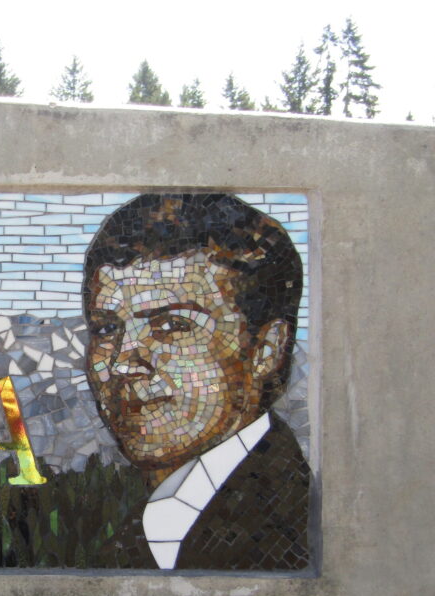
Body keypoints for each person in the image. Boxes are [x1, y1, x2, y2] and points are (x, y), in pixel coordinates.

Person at [82, 193, 311, 571]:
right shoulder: (136, 531)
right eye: (106, 329)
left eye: (172, 325)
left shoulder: (297, 530)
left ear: (265, 350)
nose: (122, 363)